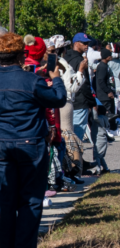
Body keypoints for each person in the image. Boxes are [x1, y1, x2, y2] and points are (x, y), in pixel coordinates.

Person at [0, 32, 67, 247]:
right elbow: (58, 99)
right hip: (30, 143)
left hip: (2, 144)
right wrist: (56, 79)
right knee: (30, 200)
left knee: (5, 200)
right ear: (21, 57)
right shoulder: (31, 80)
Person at [64, 33, 95, 143]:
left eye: (88, 43)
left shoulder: (64, 58)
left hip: (67, 100)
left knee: (67, 135)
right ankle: (76, 159)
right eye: (84, 43)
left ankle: (70, 158)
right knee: (77, 137)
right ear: (76, 43)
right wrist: (92, 102)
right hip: (80, 101)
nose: (87, 46)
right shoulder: (79, 60)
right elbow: (84, 85)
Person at [90, 49, 115, 174]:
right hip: (102, 98)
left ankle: (103, 166)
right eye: (110, 55)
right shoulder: (102, 67)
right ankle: (98, 166)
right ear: (107, 57)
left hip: (104, 98)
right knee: (99, 132)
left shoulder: (104, 66)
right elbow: (100, 81)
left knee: (105, 123)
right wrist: (107, 92)